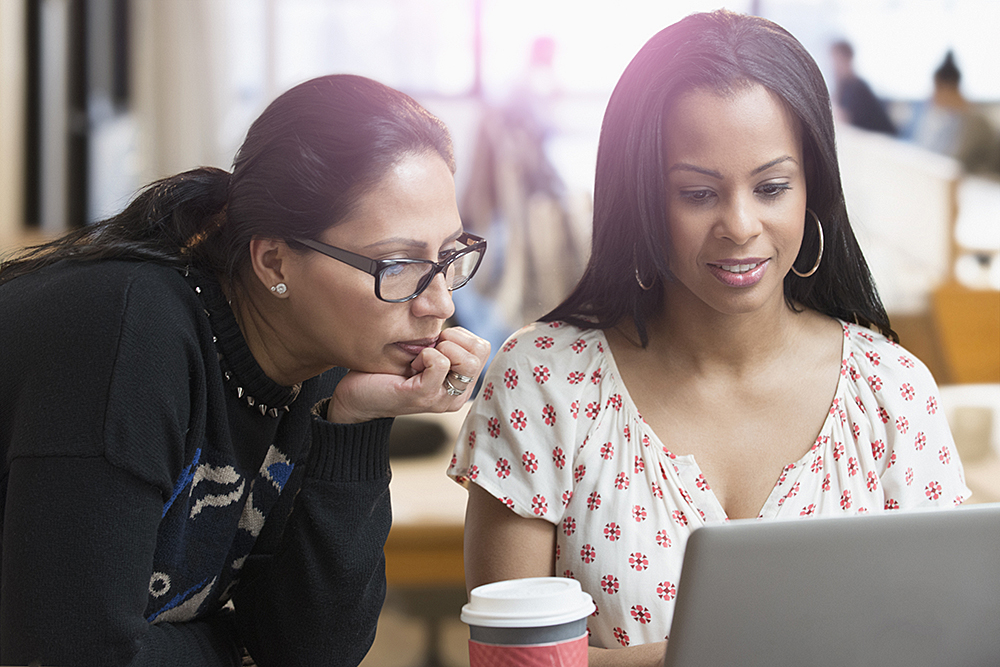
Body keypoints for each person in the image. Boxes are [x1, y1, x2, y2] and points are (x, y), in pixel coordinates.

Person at [448, 11, 969, 666]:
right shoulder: (544, 382)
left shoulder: (892, 393)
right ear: (641, 196)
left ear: (813, 189)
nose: (741, 225)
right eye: (697, 193)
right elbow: (511, 662)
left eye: (772, 187)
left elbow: (942, 642)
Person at [0, 74, 490, 666]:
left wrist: (358, 420)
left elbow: (313, 653)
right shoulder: (131, 335)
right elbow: (75, 653)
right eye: (400, 264)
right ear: (274, 260)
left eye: (448, 257)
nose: (440, 303)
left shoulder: (330, 355)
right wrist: (236, 648)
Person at [905, 51, 1000, 175]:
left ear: (946, 88)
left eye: (935, 89)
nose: (932, 97)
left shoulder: (976, 122)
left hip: (983, 185)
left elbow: (954, 161)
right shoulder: (955, 118)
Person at [829, 39, 896, 135]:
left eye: (837, 59)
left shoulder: (857, 87)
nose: (833, 65)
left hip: (883, 138)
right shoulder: (844, 86)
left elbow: (843, 118)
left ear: (848, 59)